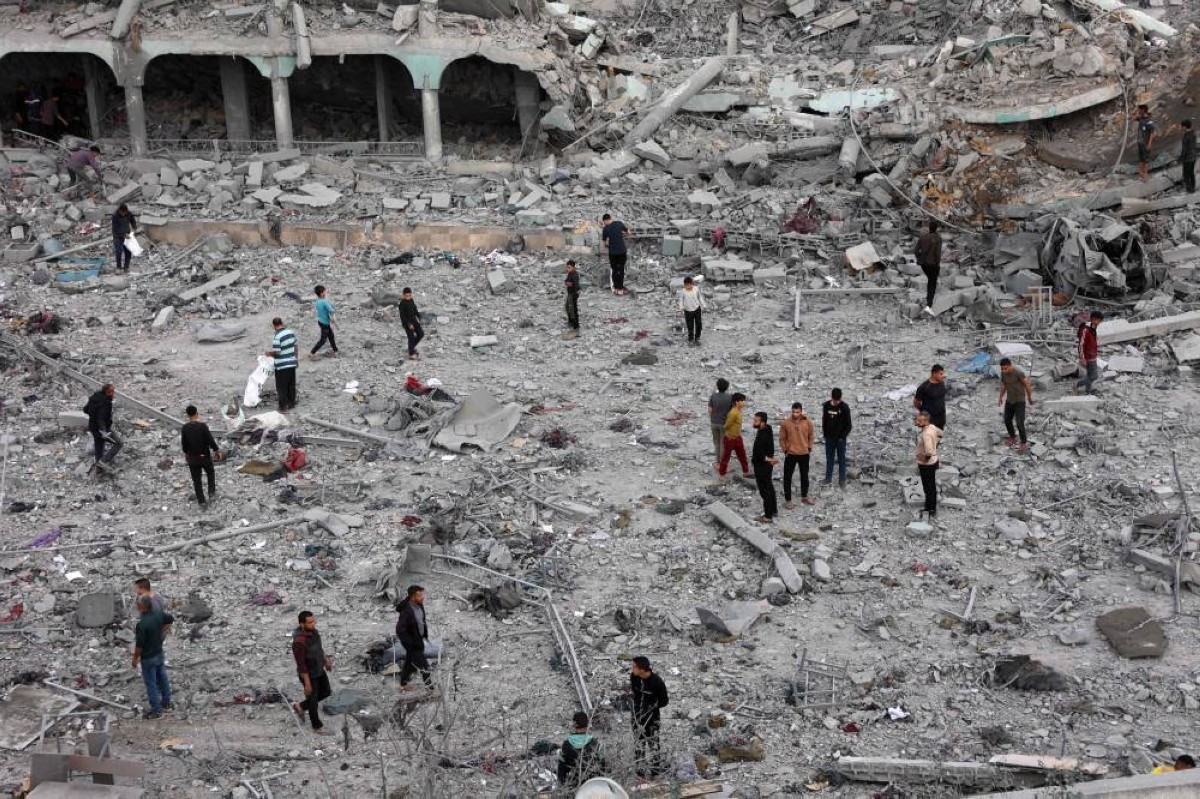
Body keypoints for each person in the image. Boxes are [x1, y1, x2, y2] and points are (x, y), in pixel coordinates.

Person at [291, 610, 333, 733]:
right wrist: (307, 683)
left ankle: (301, 706)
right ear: (302, 624)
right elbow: (301, 665)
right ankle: (317, 726)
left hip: (319, 669)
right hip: (308, 674)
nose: (313, 624)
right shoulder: (299, 642)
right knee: (313, 701)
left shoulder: (314, 632)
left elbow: (319, 649)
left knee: (326, 692)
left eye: (314, 621)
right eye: (310, 622)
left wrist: (326, 661)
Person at [133, 595, 174, 719]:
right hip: (159, 653)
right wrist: (163, 631)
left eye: (137, 604)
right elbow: (170, 619)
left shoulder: (142, 624)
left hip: (148, 658)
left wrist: (135, 658)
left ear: (142, 606)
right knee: (162, 678)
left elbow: (139, 646)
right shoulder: (159, 615)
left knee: (151, 684)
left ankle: (156, 711)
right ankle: (167, 703)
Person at [630, 656, 668, 776]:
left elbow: (664, 701)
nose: (632, 669)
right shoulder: (634, 677)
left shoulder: (657, 682)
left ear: (642, 669)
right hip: (637, 718)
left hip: (652, 719)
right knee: (639, 746)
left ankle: (655, 773)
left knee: (654, 746)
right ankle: (640, 774)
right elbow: (635, 693)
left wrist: (651, 707)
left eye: (634, 667)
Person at [394, 585, 434, 689]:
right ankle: (431, 689)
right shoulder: (406, 612)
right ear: (412, 597)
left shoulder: (419, 605)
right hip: (411, 642)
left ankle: (403, 684)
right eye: (419, 595)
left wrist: (424, 635)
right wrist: (410, 643)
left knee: (409, 662)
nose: (422, 597)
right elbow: (399, 630)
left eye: (422, 595)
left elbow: (421, 622)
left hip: (418, 639)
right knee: (424, 666)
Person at [181, 404, 221, 506]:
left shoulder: (185, 428)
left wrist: (187, 454)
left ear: (188, 415)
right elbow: (210, 441)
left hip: (192, 458)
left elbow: (184, 445)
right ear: (197, 414)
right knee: (210, 473)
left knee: (196, 480)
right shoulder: (203, 427)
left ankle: (202, 501)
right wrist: (217, 451)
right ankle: (211, 493)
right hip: (204, 457)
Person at [557, 711, 606, 788]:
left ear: (574, 725)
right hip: (592, 784)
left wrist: (562, 786)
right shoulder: (595, 743)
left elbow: (561, 772)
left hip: (573, 785)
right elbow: (604, 767)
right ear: (587, 725)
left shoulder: (566, 744)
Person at [780, 402, 815, 508]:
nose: (795, 414)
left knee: (804, 476)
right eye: (793, 412)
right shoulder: (786, 423)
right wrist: (785, 450)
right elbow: (782, 438)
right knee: (787, 477)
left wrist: (809, 447)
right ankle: (788, 500)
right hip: (791, 454)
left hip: (804, 453)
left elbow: (811, 435)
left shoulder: (807, 422)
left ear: (801, 411)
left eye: (797, 412)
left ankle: (804, 496)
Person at [997, 358, 1033, 452]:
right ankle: (1013, 437)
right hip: (1009, 400)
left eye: (1005, 368)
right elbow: (1004, 385)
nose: (1004, 371)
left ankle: (1023, 443)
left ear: (1010, 365)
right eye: (1002, 369)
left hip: (1019, 401)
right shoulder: (1003, 374)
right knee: (1007, 420)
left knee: (1019, 423)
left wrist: (1029, 397)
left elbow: (1027, 385)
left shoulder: (1018, 373)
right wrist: (1000, 397)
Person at [84, 383, 123, 467]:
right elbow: (100, 418)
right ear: (108, 392)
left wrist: (93, 414)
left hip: (93, 428)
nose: (113, 393)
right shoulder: (107, 402)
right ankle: (103, 461)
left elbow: (85, 410)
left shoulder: (94, 397)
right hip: (102, 430)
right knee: (119, 443)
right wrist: (104, 430)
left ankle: (99, 469)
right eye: (112, 391)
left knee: (99, 448)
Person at [750, 411, 779, 523]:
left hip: (761, 467)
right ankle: (773, 510)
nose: (754, 422)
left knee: (764, 491)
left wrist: (771, 460)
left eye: (756, 421)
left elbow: (761, 456)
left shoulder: (762, 437)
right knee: (769, 486)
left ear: (762, 422)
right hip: (767, 466)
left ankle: (768, 516)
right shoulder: (768, 428)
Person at [265, 318, 298, 412]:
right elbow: (295, 347)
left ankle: (283, 407)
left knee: (281, 387)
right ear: (282, 323)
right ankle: (291, 403)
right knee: (291, 384)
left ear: (274, 326)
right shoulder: (291, 333)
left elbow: (277, 352)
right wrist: (295, 359)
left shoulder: (277, 337)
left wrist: (269, 353)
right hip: (292, 363)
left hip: (282, 366)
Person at [821, 388, 851, 487]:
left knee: (842, 459)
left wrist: (842, 437)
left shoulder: (844, 407)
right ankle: (828, 478)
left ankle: (842, 480)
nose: (836, 402)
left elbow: (849, 425)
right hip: (829, 438)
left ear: (841, 398)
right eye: (835, 400)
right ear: (832, 397)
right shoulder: (826, 406)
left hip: (840, 440)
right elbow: (824, 420)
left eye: (838, 400)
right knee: (829, 458)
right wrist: (825, 434)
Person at [717, 393, 750, 479]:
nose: (744, 402)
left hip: (737, 437)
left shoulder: (738, 411)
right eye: (742, 401)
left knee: (742, 455)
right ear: (736, 402)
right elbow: (726, 425)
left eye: (744, 400)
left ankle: (746, 472)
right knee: (726, 457)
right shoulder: (733, 413)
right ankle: (721, 474)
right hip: (730, 439)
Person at [915, 410, 941, 520]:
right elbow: (940, 434)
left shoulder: (926, 434)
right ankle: (931, 507)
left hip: (927, 465)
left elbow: (929, 451)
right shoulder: (932, 427)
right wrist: (935, 446)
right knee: (931, 486)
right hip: (934, 461)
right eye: (917, 420)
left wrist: (925, 459)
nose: (917, 422)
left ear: (926, 421)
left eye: (920, 421)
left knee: (928, 487)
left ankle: (930, 509)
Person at [915, 220, 943, 315]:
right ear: (936, 229)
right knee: (932, 283)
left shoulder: (923, 237)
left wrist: (919, 258)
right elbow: (937, 253)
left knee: (930, 280)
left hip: (923, 264)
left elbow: (916, 250)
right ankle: (929, 304)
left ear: (929, 228)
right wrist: (937, 264)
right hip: (932, 264)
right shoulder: (938, 238)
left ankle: (928, 300)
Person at [600, 213, 629, 295]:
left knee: (615, 270)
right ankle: (620, 290)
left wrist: (606, 245)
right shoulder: (619, 223)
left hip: (612, 253)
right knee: (621, 270)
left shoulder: (605, 229)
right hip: (622, 251)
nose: (604, 224)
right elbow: (628, 231)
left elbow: (604, 242)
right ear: (610, 218)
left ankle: (616, 289)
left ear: (605, 220)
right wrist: (625, 235)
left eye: (604, 222)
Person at [914, 364, 948, 431]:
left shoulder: (942, 383)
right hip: (930, 419)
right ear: (934, 374)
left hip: (941, 417)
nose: (943, 376)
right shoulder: (924, 387)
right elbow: (916, 402)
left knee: (939, 433)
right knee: (929, 435)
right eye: (941, 374)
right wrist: (922, 411)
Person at [708, 378, 733, 462]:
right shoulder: (730, 397)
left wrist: (712, 419)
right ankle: (722, 462)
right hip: (724, 423)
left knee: (716, 442)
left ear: (717, 386)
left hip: (714, 422)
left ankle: (717, 460)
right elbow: (732, 412)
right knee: (723, 443)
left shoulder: (713, 396)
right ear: (727, 387)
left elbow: (710, 410)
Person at [1077, 311, 1102, 394]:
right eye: (1099, 321)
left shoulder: (1093, 328)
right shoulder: (1085, 330)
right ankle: (1080, 386)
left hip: (1092, 355)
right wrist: (1082, 358)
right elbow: (1081, 345)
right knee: (1093, 376)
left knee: (1090, 375)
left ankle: (1087, 390)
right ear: (1093, 319)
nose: (1099, 323)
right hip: (1088, 357)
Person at [310, 285, 338, 357]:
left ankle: (336, 351)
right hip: (325, 323)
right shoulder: (324, 302)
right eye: (324, 291)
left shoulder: (317, 302)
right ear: (321, 293)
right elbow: (331, 310)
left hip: (321, 322)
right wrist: (333, 312)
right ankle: (312, 353)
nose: (325, 293)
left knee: (331, 336)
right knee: (323, 340)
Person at [398, 287, 424, 360]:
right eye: (406, 296)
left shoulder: (411, 300)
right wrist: (409, 324)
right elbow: (402, 317)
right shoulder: (402, 304)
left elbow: (415, 309)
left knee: (421, 334)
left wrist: (419, 317)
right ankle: (411, 354)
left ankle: (411, 348)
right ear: (403, 295)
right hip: (407, 324)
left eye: (409, 295)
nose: (408, 297)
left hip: (414, 321)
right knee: (411, 337)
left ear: (411, 294)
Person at [677, 276, 705, 345]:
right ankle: (690, 339)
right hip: (688, 311)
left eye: (690, 284)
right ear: (684, 284)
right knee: (690, 326)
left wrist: (703, 304)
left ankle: (697, 338)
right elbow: (681, 300)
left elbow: (700, 297)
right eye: (686, 285)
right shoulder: (683, 291)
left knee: (699, 324)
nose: (688, 286)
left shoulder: (696, 289)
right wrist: (681, 307)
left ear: (692, 283)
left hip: (697, 309)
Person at [112, 204, 137, 272]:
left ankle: (126, 267)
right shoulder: (115, 216)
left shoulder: (129, 213)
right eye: (122, 213)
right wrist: (123, 234)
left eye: (125, 213)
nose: (123, 214)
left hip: (127, 235)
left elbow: (133, 221)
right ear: (119, 211)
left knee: (128, 251)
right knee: (119, 251)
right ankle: (118, 267)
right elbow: (116, 228)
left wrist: (134, 228)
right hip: (117, 236)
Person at [1135, 103, 1156, 181]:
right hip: (1140, 142)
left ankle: (1145, 175)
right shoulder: (1141, 118)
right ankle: (1141, 174)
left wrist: (1149, 144)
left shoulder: (1149, 121)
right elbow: (1131, 118)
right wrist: (1135, 111)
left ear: (1143, 110)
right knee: (1141, 159)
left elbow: (1152, 133)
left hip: (1145, 143)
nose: (1138, 111)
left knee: (1146, 160)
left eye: (1139, 110)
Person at [564, 260, 581, 337]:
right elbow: (566, 280)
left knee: (573, 310)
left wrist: (570, 284)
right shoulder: (570, 273)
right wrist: (567, 282)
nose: (567, 269)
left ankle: (576, 326)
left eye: (569, 267)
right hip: (570, 293)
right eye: (567, 267)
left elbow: (576, 286)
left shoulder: (575, 275)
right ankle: (570, 322)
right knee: (567, 307)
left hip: (573, 294)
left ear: (573, 267)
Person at [1180, 119, 1196, 194]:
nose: (1181, 127)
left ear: (1185, 127)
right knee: (1191, 173)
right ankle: (1193, 187)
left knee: (1186, 174)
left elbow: (1185, 149)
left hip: (1187, 158)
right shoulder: (1193, 134)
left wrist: (1181, 158)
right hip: (1193, 156)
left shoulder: (1186, 136)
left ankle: (1189, 190)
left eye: (1182, 126)